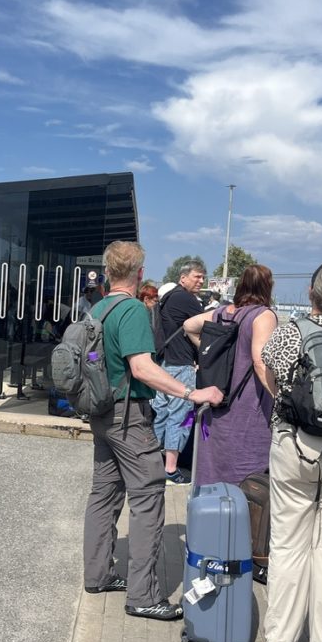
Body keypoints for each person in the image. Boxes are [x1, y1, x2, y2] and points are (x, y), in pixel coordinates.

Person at [83, 241, 223, 621]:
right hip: (128, 418)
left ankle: (97, 575)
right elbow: (142, 368)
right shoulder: (131, 310)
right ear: (140, 273)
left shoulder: (99, 308)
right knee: (148, 497)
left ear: (107, 272)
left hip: (102, 413)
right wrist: (191, 393)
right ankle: (143, 595)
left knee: (103, 495)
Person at [259, 262, 322, 642]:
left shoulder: (290, 332)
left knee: (286, 542)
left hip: (294, 445)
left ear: (310, 294)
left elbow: (269, 374)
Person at [182, 265, 277, 485]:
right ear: (267, 287)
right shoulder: (263, 315)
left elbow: (188, 325)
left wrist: (208, 353)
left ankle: (211, 503)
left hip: (218, 398)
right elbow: (259, 362)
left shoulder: (222, 313)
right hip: (248, 405)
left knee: (213, 463)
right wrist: (279, 396)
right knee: (247, 470)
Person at [152, 261, 205, 484]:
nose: (201, 281)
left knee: (162, 413)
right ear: (183, 278)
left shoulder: (168, 298)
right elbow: (207, 326)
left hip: (164, 363)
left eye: (202, 277)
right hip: (181, 364)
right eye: (197, 276)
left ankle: (152, 463)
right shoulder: (186, 299)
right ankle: (171, 469)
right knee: (181, 416)